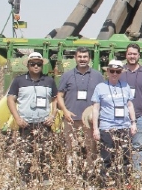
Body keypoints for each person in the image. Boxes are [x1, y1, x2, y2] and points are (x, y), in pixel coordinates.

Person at [7, 51, 58, 181]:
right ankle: (24, 178)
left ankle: (44, 177)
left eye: (39, 64)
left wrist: (52, 116)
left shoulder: (49, 81)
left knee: (45, 153)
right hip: (26, 123)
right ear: (28, 65)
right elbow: (10, 99)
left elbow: (55, 99)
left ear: (42, 65)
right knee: (25, 152)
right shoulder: (18, 81)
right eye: (33, 64)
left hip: (43, 123)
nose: (36, 66)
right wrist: (17, 118)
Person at [56, 47, 103, 177]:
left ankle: (89, 174)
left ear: (90, 59)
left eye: (85, 57)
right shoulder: (67, 75)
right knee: (71, 147)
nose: (82, 59)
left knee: (91, 147)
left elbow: (103, 96)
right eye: (80, 57)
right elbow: (59, 95)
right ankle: (72, 174)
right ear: (75, 58)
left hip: (89, 120)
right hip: (71, 118)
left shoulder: (97, 76)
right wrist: (65, 111)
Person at [90, 59, 137, 188]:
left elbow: (130, 105)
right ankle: (107, 184)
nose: (114, 74)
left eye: (117, 71)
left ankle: (125, 181)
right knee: (107, 156)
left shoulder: (125, 86)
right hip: (107, 126)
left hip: (124, 126)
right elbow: (95, 108)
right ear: (107, 72)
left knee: (126, 155)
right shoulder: (100, 87)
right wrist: (96, 129)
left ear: (121, 72)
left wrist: (133, 123)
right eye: (112, 71)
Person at [121, 44, 142, 175]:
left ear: (139, 55)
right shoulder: (120, 72)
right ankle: (123, 175)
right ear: (126, 55)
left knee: (137, 146)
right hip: (122, 117)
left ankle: (136, 175)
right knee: (122, 147)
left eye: (135, 54)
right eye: (130, 54)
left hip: (140, 116)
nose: (132, 56)